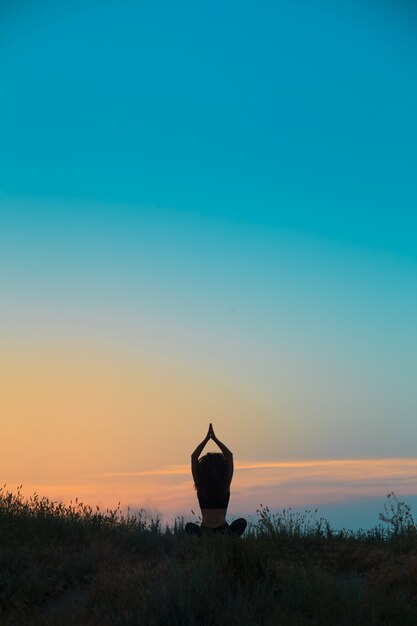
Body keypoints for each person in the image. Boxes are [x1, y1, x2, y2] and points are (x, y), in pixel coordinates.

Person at [185, 423, 247, 536]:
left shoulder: (200, 486)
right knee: (242, 522)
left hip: (204, 532)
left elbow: (194, 457)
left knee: (188, 527)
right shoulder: (225, 485)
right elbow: (229, 455)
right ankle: (229, 541)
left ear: (203, 470)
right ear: (222, 469)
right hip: (224, 531)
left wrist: (206, 439)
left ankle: (202, 543)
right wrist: (215, 439)